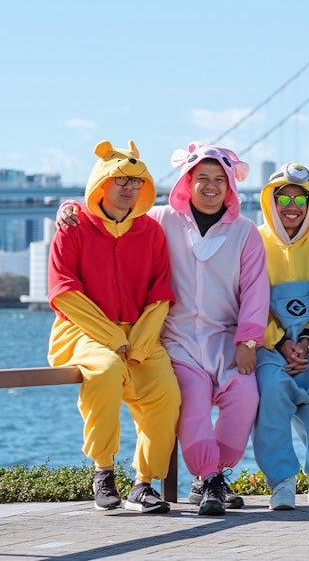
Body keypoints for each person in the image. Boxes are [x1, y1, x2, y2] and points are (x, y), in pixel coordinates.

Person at [56, 142, 268, 516]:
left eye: (220, 179)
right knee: (191, 401)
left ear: (232, 185)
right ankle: (205, 477)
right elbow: (110, 211)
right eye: (202, 177)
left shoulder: (246, 232)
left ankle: (213, 474)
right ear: (187, 180)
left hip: (225, 337)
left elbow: (255, 289)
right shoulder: (159, 219)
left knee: (245, 398)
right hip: (176, 338)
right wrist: (68, 206)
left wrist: (248, 340)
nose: (211, 185)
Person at [47, 141, 180, 513]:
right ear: (100, 183)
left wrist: (137, 341)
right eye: (120, 179)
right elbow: (63, 291)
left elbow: (160, 292)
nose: (129, 188)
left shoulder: (151, 232)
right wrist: (111, 337)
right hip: (82, 331)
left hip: (140, 334)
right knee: (104, 372)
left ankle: (144, 483)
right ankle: (103, 471)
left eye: (137, 182)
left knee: (166, 392)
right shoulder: (73, 226)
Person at [253, 163, 309, 509]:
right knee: (272, 389)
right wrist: (279, 342)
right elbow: (247, 301)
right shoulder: (253, 241)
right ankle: (282, 482)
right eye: (283, 198)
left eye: (299, 199)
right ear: (269, 203)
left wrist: (304, 340)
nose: (291, 206)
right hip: (266, 345)